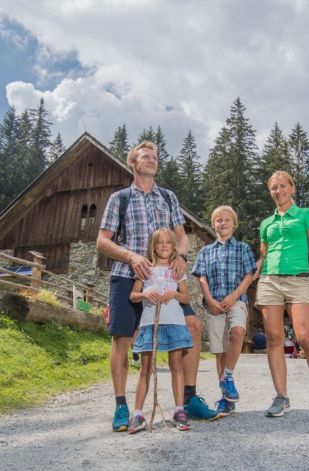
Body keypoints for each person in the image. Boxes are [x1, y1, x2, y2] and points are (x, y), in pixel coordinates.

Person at [97, 141, 217, 432]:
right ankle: (122, 406)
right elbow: (102, 241)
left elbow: (181, 236)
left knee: (192, 327)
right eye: (145, 157)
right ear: (133, 163)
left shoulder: (168, 196)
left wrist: (182, 257)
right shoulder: (120, 198)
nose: (152, 160)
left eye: (155, 157)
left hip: (165, 277)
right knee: (122, 339)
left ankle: (187, 400)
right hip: (128, 275)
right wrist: (131, 256)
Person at [254, 171, 309, 418]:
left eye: (283, 186)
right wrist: (249, 278)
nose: (278, 191)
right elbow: (262, 257)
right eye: (273, 187)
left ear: (292, 188)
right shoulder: (266, 223)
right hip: (269, 280)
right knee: (274, 338)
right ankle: (281, 398)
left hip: (298, 280)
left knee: (305, 337)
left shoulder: (307, 215)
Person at [192, 205, 256, 417]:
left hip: (236, 299)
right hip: (214, 304)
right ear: (214, 225)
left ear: (234, 225)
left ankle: (228, 376)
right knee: (219, 350)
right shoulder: (206, 251)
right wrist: (209, 299)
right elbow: (201, 276)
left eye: (227, 220)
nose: (223, 223)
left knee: (237, 332)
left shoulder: (243, 248)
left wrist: (235, 295)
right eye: (219, 220)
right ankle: (226, 398)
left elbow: (249, 275)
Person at [129, 228, 193, 433]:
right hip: (150, 323)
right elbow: (133, 295)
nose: (164, 245)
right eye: (159, 242)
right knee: (145, 368)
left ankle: (179, 409)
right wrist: (145, 293)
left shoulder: (177, 269)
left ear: (173, 246)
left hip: (174, 322)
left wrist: (174, 293)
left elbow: (186, 298)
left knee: (176, 366)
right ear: (153, 246)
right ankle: (137, 414)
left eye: (168, 242)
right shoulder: (146, 269)